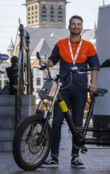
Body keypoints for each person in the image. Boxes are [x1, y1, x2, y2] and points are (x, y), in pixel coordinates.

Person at [40, 15, 100, 168]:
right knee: (57, 123)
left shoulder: (88, 46)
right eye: (73, 24)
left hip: (80, 89)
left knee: (77, 124)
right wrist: (46, 62)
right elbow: (53, 60)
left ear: (81, 27)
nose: (76, 27)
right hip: (63, 90)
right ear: (69, 26)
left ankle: (75, 156)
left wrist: (93, 84)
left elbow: (95, 67)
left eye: (78, 24)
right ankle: (54, 156)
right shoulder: (60, 44)